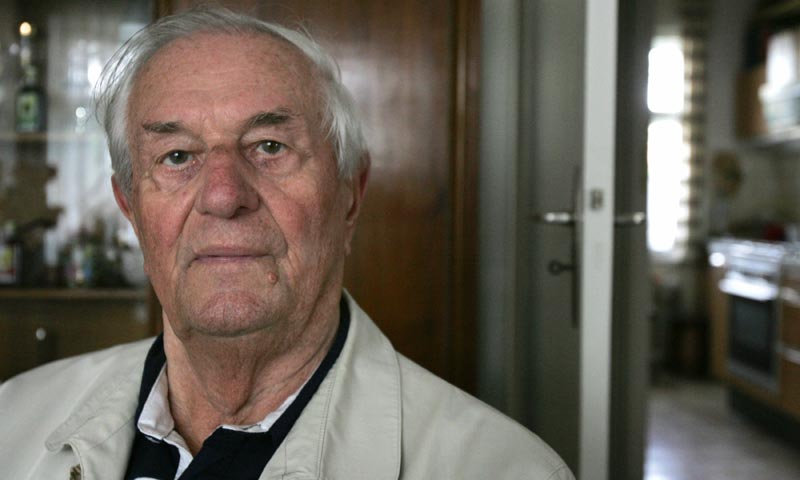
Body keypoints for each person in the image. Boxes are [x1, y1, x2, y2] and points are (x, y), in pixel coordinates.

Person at [0, 8, 574, 480]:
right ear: (130, 207)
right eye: (177, 157)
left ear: (349, 194)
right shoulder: (13, 419)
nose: (224, 196)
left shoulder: (503, 468)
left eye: (269, 146)